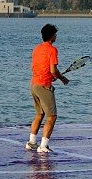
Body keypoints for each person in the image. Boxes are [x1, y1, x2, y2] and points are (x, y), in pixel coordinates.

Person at [26, 24, 69, 153]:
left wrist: (51, 77)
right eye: (55, 34)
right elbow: (53, 70)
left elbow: (36, 67)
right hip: (44, 85)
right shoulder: (52, 50)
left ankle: (31, 143)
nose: (56, 36)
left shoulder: (36, 48)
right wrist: (61, 78)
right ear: (51, 36)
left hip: (34, 84)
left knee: (39, 114)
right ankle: (43, 146)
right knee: (52, 116)